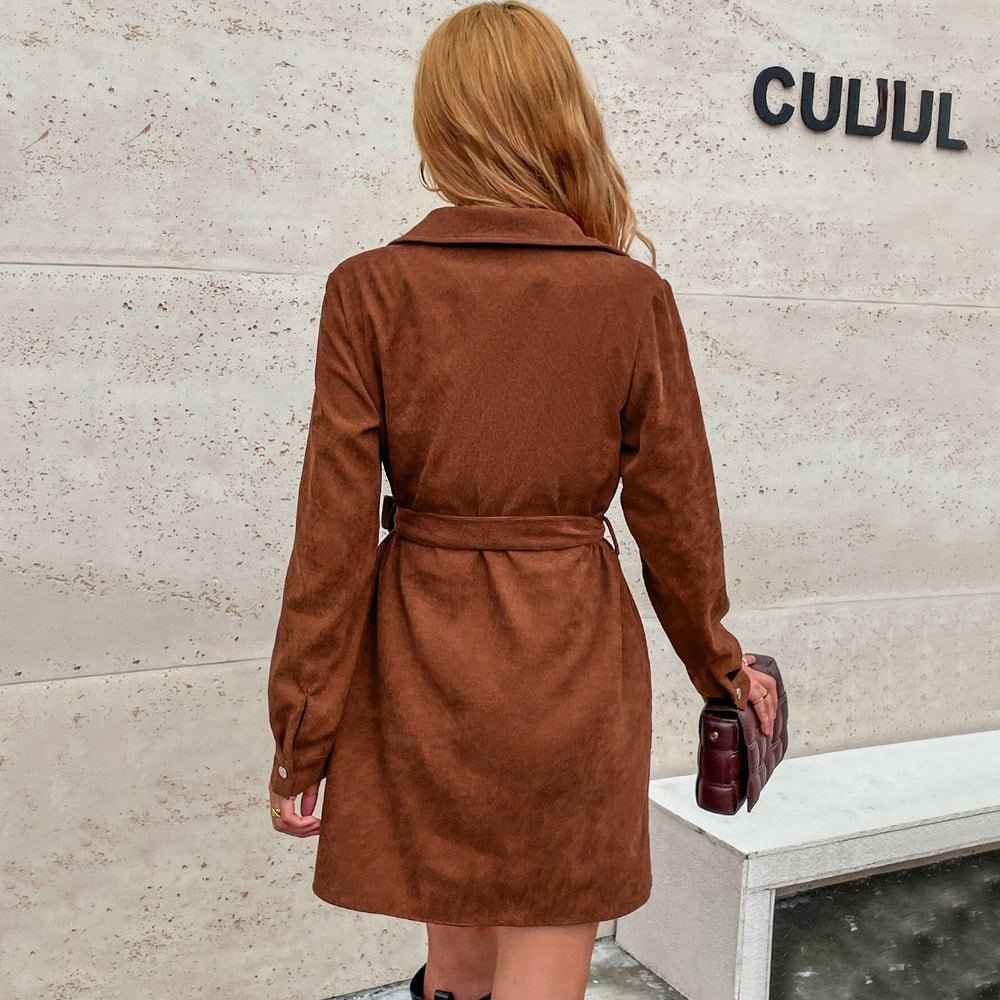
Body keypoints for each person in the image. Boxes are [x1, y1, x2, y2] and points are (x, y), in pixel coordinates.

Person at [264, 3, 779, 999]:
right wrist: (720, 667)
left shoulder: (368, 290)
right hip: (571, 670)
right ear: (560, 118)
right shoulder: (630, 299)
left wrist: (302, 735)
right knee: (546, 946)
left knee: (455, 956)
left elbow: (330, 537)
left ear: (439, 125)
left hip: (421, 667)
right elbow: (676, 524)